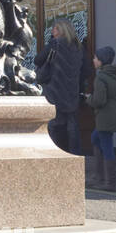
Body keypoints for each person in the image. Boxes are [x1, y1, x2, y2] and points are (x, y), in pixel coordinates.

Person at [34, 20, 84, 154]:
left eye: (55, 29)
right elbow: (86, 70)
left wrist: (50, 43)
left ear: (62, 30)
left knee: (53, 124)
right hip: (72, 91)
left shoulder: (54, 44)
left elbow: (38, 60)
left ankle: (54, 153)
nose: (52, 31)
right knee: (72, 125)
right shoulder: (78, 47)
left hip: (55, 90)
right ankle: (75, 154)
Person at [85, 46, 116, 191]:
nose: (93, 60)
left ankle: (110, 182)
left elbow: (99, 101)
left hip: (104, 117)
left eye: (96, 58)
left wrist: (88, 99)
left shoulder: (100, 77)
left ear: (101, 61)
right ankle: (101, 176)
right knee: (96, 139)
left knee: (106, 144)